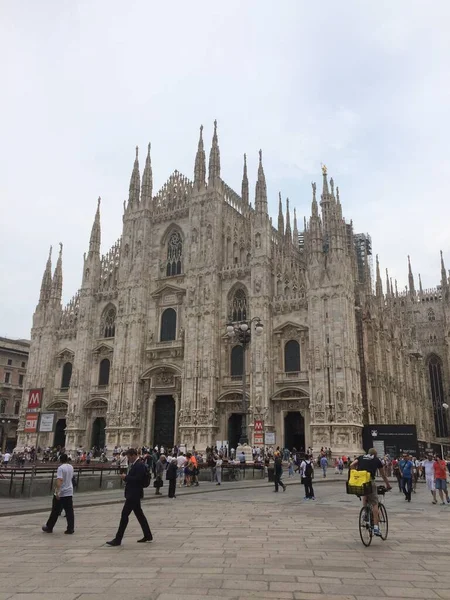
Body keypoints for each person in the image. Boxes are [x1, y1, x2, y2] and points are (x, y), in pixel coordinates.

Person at [106, 448, 152, 546]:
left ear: (133, 455)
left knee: (124, 515)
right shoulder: (137, 464)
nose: (128, 459)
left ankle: (118, 539)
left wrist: (126, 477)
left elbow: (138, 479)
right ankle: (148, 535)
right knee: (140, 515)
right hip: (134, 494)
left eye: (128, 457)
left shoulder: (139, 465)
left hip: (133, 494)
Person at [350, 448, 391, 537]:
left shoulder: (361, 457)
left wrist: (357, 474)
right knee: (375, 503)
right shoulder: (376, 460)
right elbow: (383, 474)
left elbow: (352, 465)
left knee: (365, 494)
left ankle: (365, 512)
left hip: (361, 482)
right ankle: (376, 527)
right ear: (375, 455)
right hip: (370, 481)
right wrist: (387, 484)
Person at [42, 453, 75, 534]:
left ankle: (49, 527)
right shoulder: (71, 467)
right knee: (69, 511)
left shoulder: (60, 468)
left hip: (62, 492)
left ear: (60, 459)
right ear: (67, 459)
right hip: (69, 491)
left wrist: (57, 492)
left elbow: (59, 480)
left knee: (55, 511)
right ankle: (70, 528)